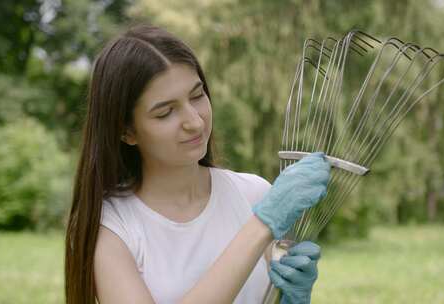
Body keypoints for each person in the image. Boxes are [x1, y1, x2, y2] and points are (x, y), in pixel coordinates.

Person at [64, 24, 331, 304]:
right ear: (126, 131)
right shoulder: (111, 225)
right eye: (165, 112)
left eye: (196, 96)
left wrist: (293, 298)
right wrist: (261, 226)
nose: (194, 121)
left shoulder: (254, 195)